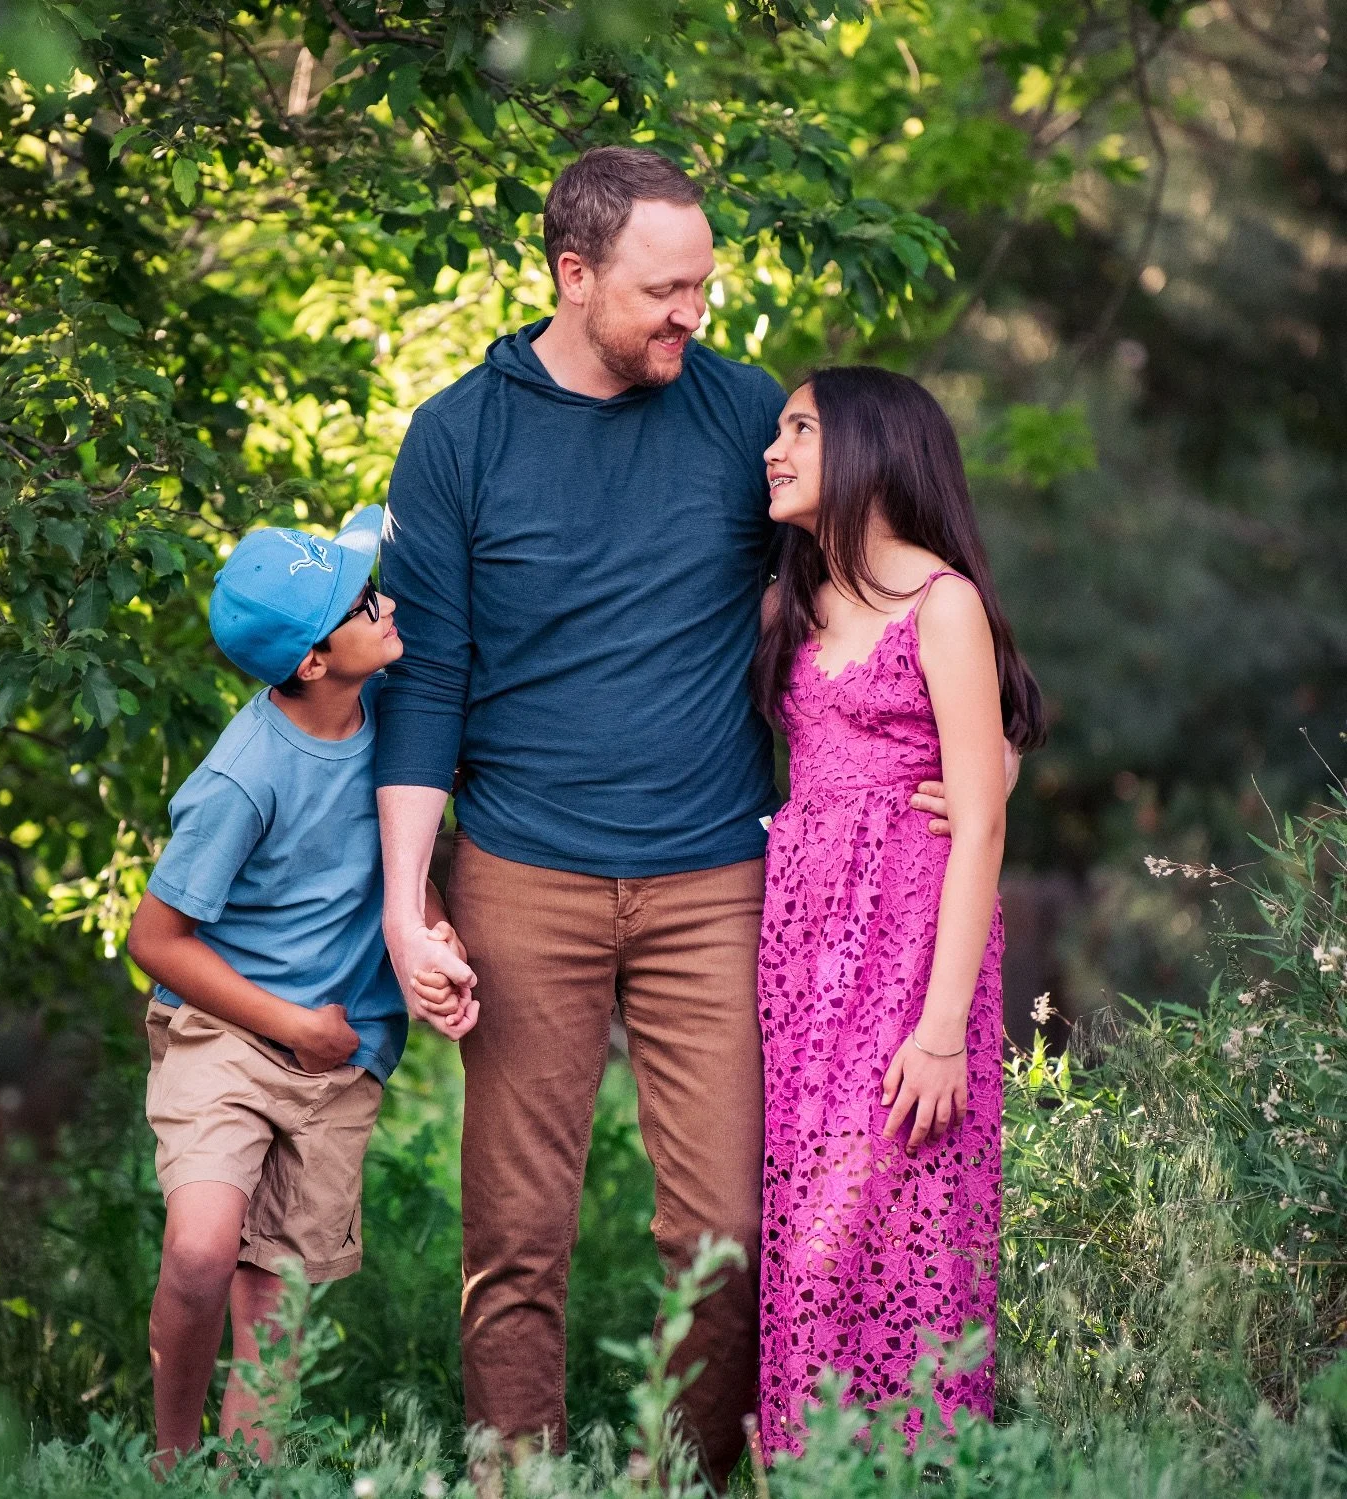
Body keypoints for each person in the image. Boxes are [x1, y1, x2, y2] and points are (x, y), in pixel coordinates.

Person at [374, 148, 962, 1486]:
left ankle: (681, 1474)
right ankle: (513, 1476)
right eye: (663, 290)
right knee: (515, 1237)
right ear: (572, 275)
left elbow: (865, 593)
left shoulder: (741, 411)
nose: (691, 312)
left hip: (718, 878)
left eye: (702, 283)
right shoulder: (460, 434)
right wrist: (410, 908)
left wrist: (967, 753)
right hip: (523, 876)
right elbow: (426, 688)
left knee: (728, 1230)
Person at [125, 506, 461, 1470]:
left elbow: (396, 859)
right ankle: (173, 1458)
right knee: (199, 1250)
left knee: (279, 1287)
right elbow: (157, 936)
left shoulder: (389, 719)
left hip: (338, 1056)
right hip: (228, 1031)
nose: (386, 603)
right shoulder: (245, 773)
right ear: (313, 662)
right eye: (362, 603)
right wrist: (288, 1025)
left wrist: (433, 925)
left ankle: (250, 1471)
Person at [751, 367, 1046, 1452]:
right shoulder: (791, 597)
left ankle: (911, 1465)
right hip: (799, 945)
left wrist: (939, 1031)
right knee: (801, 1237)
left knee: (890, 1221)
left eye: (800, 430)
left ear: (872, 450)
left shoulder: (943, 600)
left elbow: (981, 822)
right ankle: (807, 1464)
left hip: (909, 946)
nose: (774, 449)